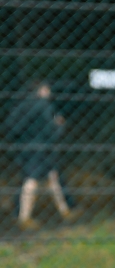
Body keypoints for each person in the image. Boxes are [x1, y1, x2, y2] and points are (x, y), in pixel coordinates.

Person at [7, 80, 72, 230]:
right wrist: (59, 125)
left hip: (24, 146)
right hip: (40, 148)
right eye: (47, 89)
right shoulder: (43, 105)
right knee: (32, 180)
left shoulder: (22, 104)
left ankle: (65, 211)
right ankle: (24, 218)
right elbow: (50, 130)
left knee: (52, 176)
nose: (49, 92)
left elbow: (10, 126)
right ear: (41, 90)